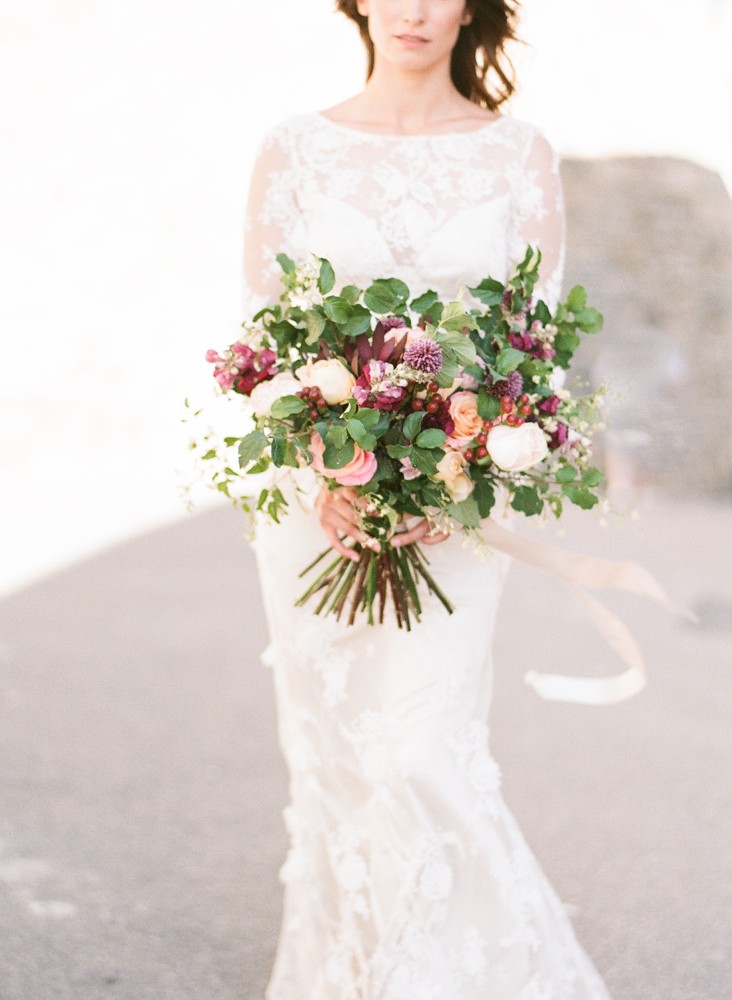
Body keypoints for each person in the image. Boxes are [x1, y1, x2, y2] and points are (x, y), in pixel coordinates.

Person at [244, 1, 612, 997]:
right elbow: (269, 343)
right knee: (339, 767)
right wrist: (329, 468)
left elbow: (532, 350)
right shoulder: (294, 150)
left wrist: (449, 480)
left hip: (459, 502)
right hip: (316, 508)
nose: (413, 9)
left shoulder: (519, 155)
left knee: (417, 754)